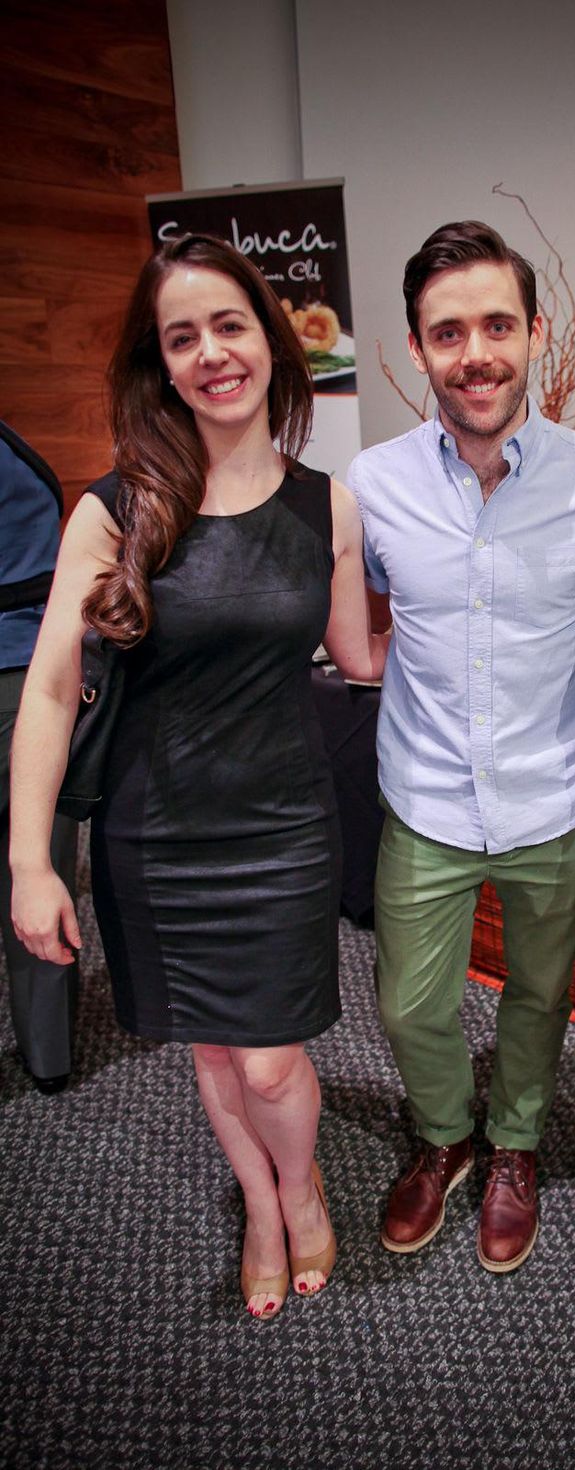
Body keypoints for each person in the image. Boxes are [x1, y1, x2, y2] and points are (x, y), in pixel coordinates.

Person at [9, 233, 388, 1320]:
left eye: (230, 325)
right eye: (183, 338)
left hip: (281, 830)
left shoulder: (327, 507)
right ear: (162, 366)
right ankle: (262, 1207)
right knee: (213, 1053)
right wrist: (31, 863)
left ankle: (300, 1183)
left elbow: (359, 656)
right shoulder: (115, 511)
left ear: (271, 341)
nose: (212, 353)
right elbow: (50, 692)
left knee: (268, 1062)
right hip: (154, 834)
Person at [346, 221, 575, 1272]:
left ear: (534, 331)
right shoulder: (371, 484)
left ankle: (515, 1141)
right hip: (425, 796)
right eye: (447, 332)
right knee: (405, 1004)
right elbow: (353, 616)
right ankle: (445, 1135)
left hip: (552, 799)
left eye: (496, 325)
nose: (474, 353)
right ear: (417, 347)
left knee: (537, 995)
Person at [1, 421, 79, 1094]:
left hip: (34, 674)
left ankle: (51, 1056)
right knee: (41, 864)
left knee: (42, 873)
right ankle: (49, 1054)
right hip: (35, 670)